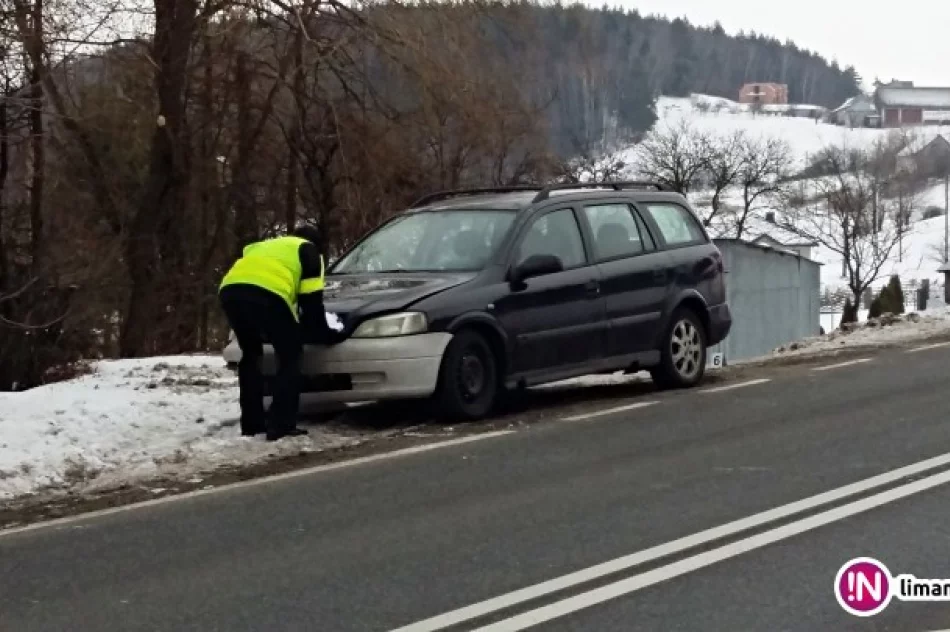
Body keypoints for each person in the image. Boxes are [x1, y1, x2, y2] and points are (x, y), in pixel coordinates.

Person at [218, 225, 344, 441]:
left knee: (251, 354)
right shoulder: (309, 252)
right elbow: (312, 304)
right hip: (269, 295)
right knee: (289, 355)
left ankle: (252, 423)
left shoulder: (266, 247)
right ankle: (282, 424)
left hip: (230, 291)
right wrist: (325, 334)